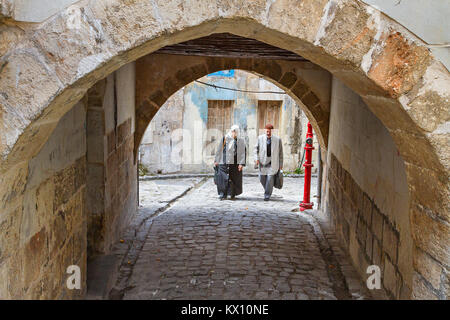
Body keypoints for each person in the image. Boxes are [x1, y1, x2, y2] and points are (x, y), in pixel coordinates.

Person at [214, 125, 246, 200]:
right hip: (223, 162)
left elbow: (243, 153)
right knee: (222, 178)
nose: (234, 133)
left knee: (233, 178)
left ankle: (231, 193)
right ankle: (222, 194)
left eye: (235, 131)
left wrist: (241, 163)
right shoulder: (225, 138)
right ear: (231, 131)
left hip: (234, 164)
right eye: (233, 131)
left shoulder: (240, 141)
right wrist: (216, 160)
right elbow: (219, 150)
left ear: (237, 132)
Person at [254, 124, 283, 201]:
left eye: (269, 132)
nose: (268, 133)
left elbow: (280, 153)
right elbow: (255, 150)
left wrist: (280, 164)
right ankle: (269, 188)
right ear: (265, 131)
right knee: (261, 178)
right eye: (267, 131)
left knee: (270, 178)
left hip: (273, 163)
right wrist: (256, 159)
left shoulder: (278, 140)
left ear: (272, 131)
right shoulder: (260, 138)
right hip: (263, 162)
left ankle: (267, 195)